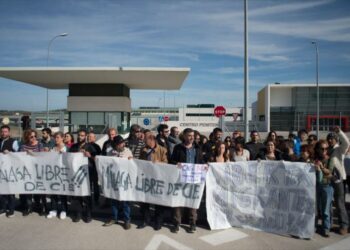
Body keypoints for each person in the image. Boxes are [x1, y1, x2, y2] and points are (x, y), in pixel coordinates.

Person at [170, 128, 204, 233]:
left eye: (193, 135)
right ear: (184, 136)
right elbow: (171, 161)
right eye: (189, 135)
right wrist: (176, 164)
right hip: (180, 179)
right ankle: (176, 223)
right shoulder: (178, 148)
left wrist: (205, 166)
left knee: (193, 202)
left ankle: (192, 223)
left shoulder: (197, 148)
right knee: (178, 202)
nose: (192, 137)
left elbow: (200, 161)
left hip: (194, 179)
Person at [138, 134, 168, 230]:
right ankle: (146, 220)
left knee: (158, 202)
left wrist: (159, 163)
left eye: (146, 141)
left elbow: (167, 163)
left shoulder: (162, 150)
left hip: (158, 179)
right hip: (146, 178)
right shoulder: (143, 150)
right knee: (145, 201)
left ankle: (158, 221)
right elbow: (140, 162)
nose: (145, 144)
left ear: (152, 140)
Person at [103, 135, 133, 230]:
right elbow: (106, 163)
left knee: (125, 202)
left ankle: (127, 220)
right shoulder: (109, 151)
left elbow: (133, 165)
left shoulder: (127, 151)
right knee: (114, 200)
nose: (122, 144)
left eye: (123, 142)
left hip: (124, 180)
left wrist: (130, 160)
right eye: (120, 143)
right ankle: (114, 218)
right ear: (115, 145)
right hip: (114, 180)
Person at [69, 129, 97, 223]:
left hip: (87, 173)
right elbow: (69, 158)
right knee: (77, 195)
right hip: (76, 173)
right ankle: (78, 213)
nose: (80, 137)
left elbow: (96, 159)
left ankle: (88, 213)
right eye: (79, 135)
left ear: (85, 136)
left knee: (86, 194)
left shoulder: (91, 147)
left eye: (82, 135)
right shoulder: (74, 146)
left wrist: (90, 156)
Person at [326, 127, 350, 235]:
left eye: (332, 138)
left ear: (336, 139)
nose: (330, 140)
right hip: (328, 179)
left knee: (340, 203)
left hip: (339, 180)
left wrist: (339, 132)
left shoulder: (340, 149)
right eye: (329, 138)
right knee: (330, 203)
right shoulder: (326, 150)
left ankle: (344, 225)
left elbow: (346, 142)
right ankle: (329, 224)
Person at [19, 129, 45, 216]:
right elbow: (19, 158)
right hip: (27, 172)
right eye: (31, 137)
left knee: (37, 190)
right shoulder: (23, 146)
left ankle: (38, 206)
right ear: (27, 137)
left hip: (37, 171)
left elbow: (42, 157)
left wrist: (32, 154)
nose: (34, 138)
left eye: (35, 136)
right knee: (28, 190)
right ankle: (28, 207)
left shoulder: (40, 145)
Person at [314, 140, 334, 237]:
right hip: (316, 186)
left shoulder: (330, 159)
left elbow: (329, 172)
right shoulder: (315, 159)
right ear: (318, 149)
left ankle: (326, 228)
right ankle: (314, 226)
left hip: (327, 186)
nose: (324, 150)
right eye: (322, 148)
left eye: (326, 148)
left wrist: (321, 168)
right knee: (315, 208)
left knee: (326, 209)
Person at [47, 132, 68, 220]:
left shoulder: (66, 148)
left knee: (62, 192)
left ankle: (64, 210)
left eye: (58, 137)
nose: (56, 139)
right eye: (55, 137)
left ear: (62, 138)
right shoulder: (52, 148)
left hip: (63, 173)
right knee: (53, 192)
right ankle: (54, 209)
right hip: (53, 173)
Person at [0, 125, 19, 217]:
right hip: (0, 170)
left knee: (10, 191)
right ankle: (3, 208)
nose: (4, 133)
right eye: (2, 131)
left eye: (5, 131)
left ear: (9, 132)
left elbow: (18, 154)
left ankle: (11, 209)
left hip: (10, 169)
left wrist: (10, 153)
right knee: (1, 190)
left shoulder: (14, 142)